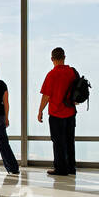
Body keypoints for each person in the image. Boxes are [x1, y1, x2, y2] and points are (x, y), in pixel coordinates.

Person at [36, 47, 77, 177]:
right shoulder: (72, 72)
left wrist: (40, 110)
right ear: (64, 57)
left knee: (58, 142)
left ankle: (60, 168)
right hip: (70, 112)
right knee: (70, 140)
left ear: (52, 59)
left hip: (56, 113)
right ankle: (71, 167)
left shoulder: (51, 75)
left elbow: (46, 96)